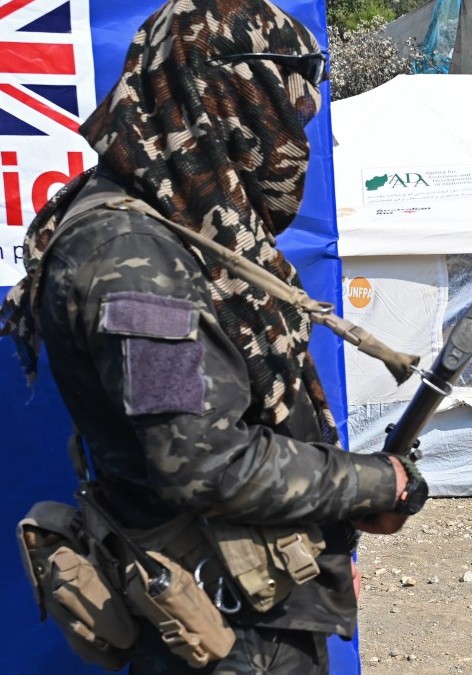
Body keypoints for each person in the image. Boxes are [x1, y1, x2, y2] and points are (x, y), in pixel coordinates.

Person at [1, 1, 413, 672]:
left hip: (253, 603)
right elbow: (203, 462)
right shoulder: (130, 254)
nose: (298, 123)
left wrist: (322, 539)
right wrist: (375, 483)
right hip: (226, 634)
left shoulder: (179, 222)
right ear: (227, 92)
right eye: (287, 91)